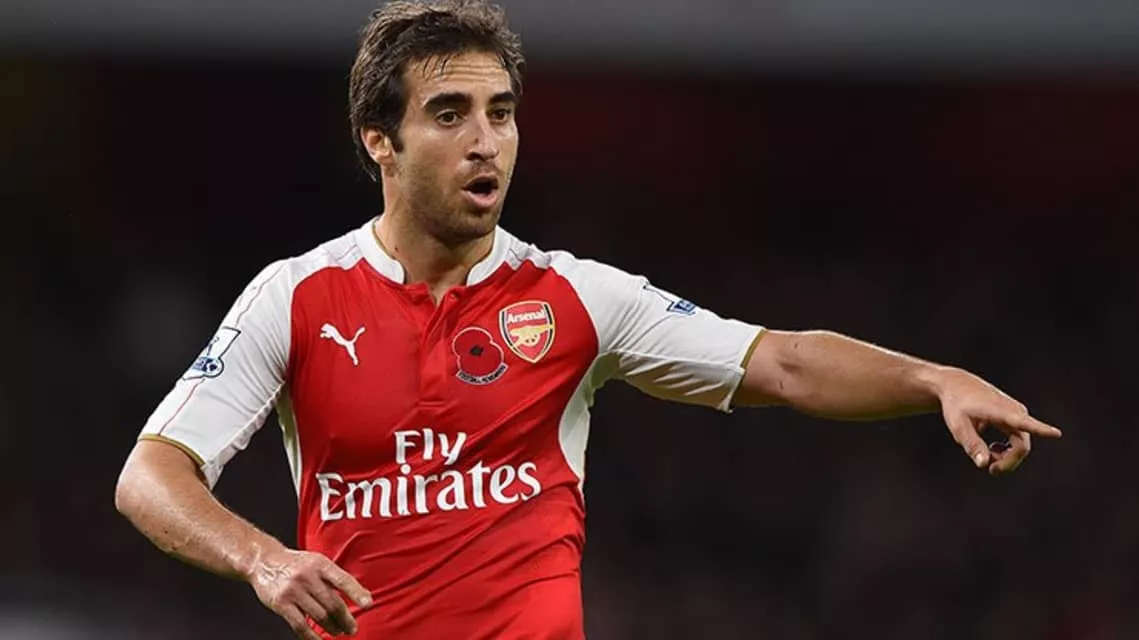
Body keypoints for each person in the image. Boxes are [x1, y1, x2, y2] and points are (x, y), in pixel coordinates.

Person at [113, 1, 1063, 638]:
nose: (485, 142)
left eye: (501, 113)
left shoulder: (574, 297)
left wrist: (933, 380)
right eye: (449, 114)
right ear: (380, 142)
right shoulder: (297, 297)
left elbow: (780, 364)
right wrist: (262, 559)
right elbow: (150, 475)